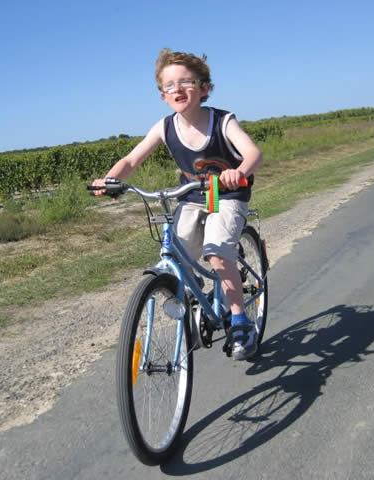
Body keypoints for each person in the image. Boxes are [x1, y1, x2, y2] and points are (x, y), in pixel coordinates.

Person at [91, 48, 263, 360]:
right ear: (162, 95)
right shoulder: (165, 127)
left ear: (204, 89)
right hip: (193, 197)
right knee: (178, 254)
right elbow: (132, 158)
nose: (177, 89)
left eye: (186, 82)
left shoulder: (222, 122)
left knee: (217, 251)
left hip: (227, 196)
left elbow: (253, 153)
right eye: (169, 85)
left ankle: (240, 320)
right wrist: (110, 179)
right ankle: (193, 292)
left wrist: (238, 172)